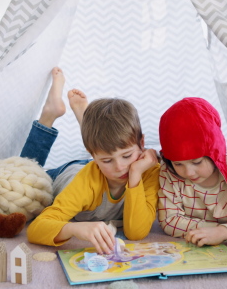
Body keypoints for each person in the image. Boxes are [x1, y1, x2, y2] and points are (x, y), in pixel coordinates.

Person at [24, 67, 160, 254]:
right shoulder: (87, 181)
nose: (120, 167)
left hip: (95, 164)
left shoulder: (149, 170)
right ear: (93, 156)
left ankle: (88, 124)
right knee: (23, 176)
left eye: (127, 156)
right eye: (107, 160)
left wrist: (135, 174)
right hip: (67, 175)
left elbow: (136, 232)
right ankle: (49, 114)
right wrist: (73, 229)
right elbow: (35, 229)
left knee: (107, 149)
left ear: (142, 143)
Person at [157, 97, 227, 246]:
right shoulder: (168, 172)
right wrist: (211, 230)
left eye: (197, 162)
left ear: (215, 153)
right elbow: (170, 220)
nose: (189, 172)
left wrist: (223, 233)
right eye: (178, 163)